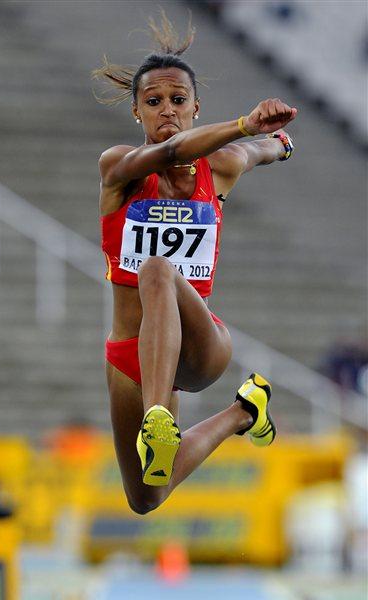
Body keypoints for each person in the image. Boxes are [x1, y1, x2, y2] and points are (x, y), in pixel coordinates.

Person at [93, 12, 297, 515]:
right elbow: (177, 149)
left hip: (200, 344)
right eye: (154, 102)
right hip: (131, 355)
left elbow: (258, 151)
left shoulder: (220, 166)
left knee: (158, 270)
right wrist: (247, 124)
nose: (167, 111)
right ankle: (245, 412)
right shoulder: (118, 169)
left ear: (195, 107)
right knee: (145, 498)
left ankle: (158, 418)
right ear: (136, 113)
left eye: (178, 101)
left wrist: (279, 143)